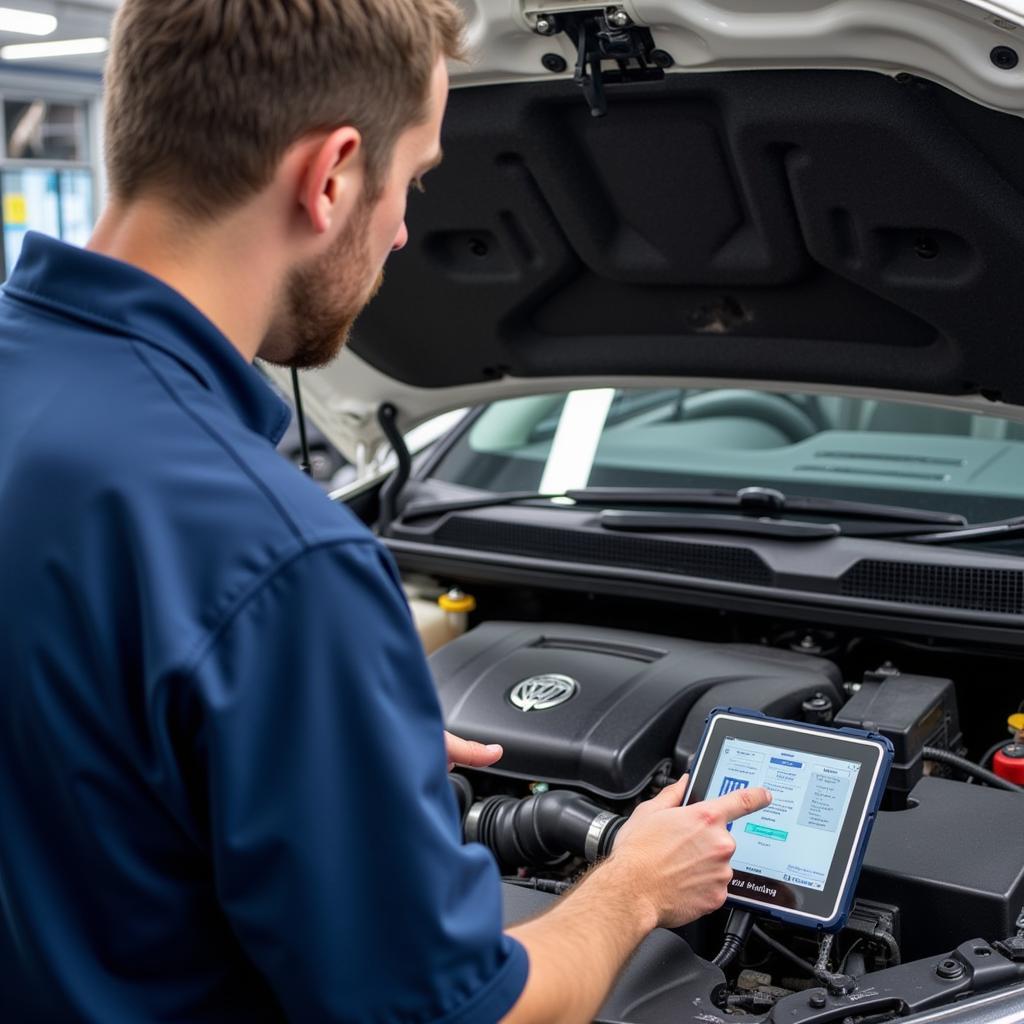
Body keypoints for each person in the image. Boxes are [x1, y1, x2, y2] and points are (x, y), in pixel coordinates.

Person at [0, 2, 771, 1021]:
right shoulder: (274, 557)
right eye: (412, 181)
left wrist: (319, 751)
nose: (407, 227)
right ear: (330, 176)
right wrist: (634, 886)